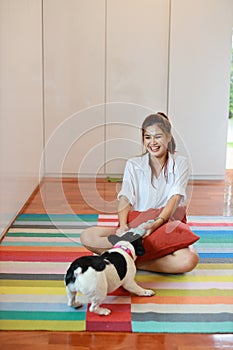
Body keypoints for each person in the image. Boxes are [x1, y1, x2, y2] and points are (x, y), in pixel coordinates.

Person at [80, 113, 199, 273]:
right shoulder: (133, 164)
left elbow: (175, 196)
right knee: (87, 236)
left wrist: (155, 223)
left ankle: (129, 261)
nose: (153, 142)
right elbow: (125, 197)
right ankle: (135, 254)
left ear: (168, 137)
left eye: (158, 137)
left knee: (189, 260)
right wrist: (123, 226)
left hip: (164, 226)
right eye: (148, 137)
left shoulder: (180, 163)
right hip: (135, 227)